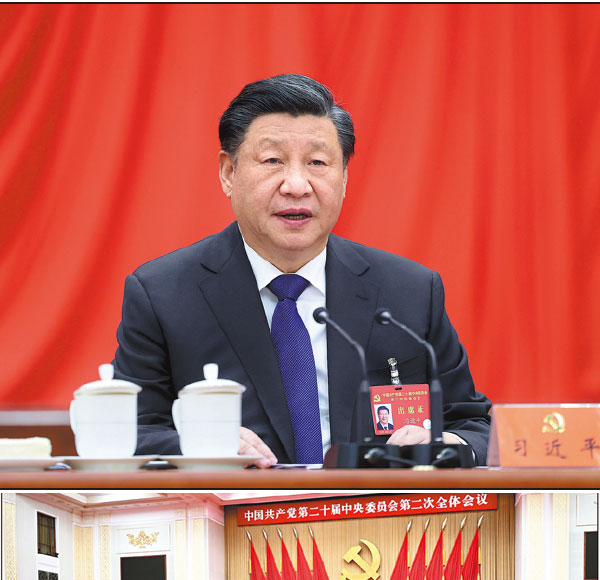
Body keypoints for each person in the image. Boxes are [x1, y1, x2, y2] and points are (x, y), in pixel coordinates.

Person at [113, 73, 491, 467]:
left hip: (380, 518)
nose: (296, 185)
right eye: (273, 160)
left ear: (344, 177)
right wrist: (200, 444)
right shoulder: (163, 293)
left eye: (317, 162)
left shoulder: (409, 291)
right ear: (229, 173)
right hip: (234, 519)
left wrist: (443, 442)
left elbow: (473, 424)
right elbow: (132, 432)